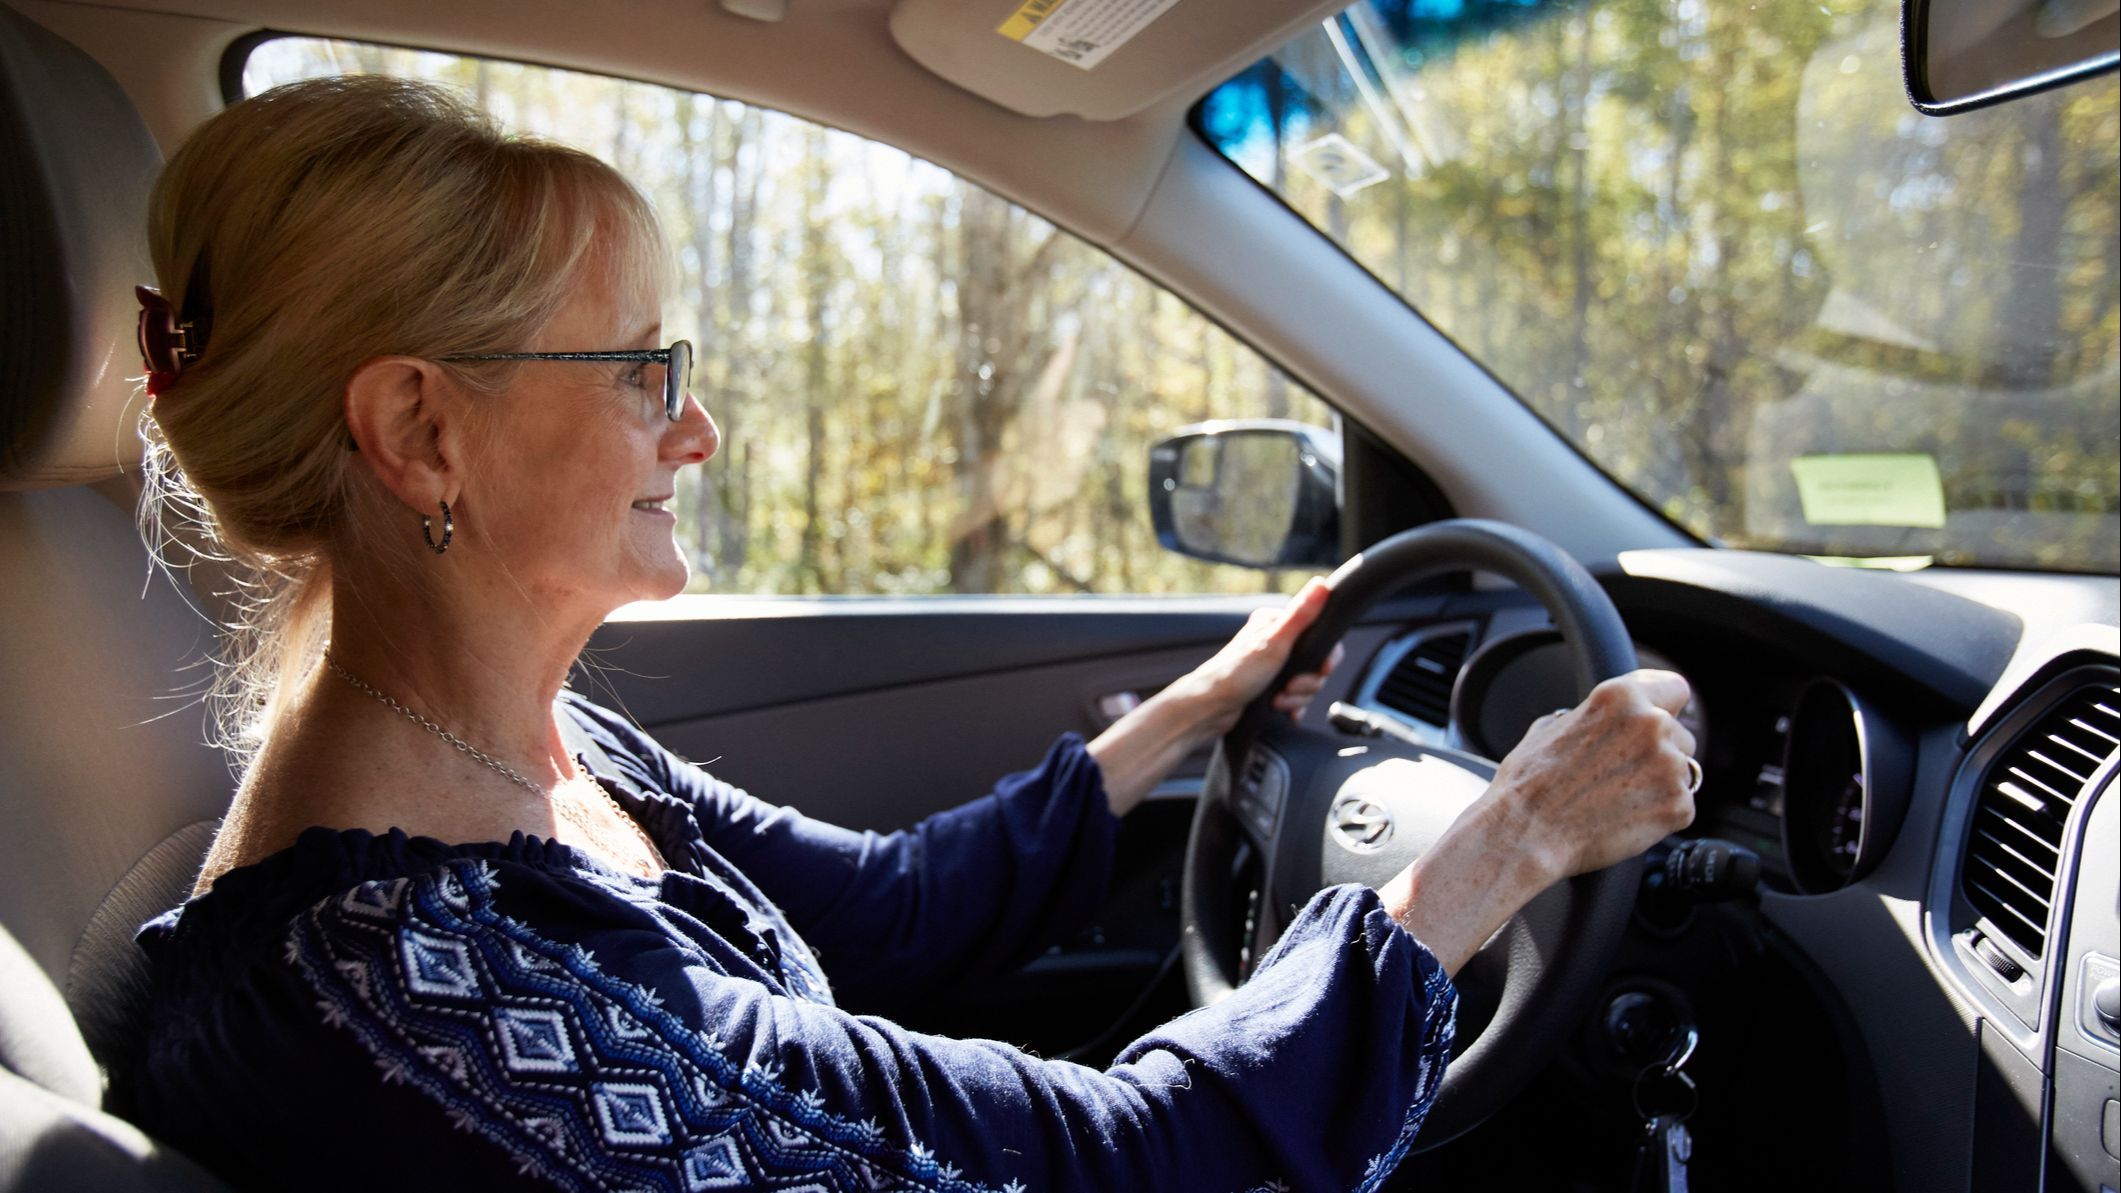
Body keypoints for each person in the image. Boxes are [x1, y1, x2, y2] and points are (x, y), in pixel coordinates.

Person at [119, 76, 1700, 1192]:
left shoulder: (531, 749)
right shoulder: (430, 992)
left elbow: (883, 915)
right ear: (419, 432)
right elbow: (1130, 1167)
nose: (699, 428)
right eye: (639, 372)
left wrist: (1197, 710)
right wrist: (1499, 844)